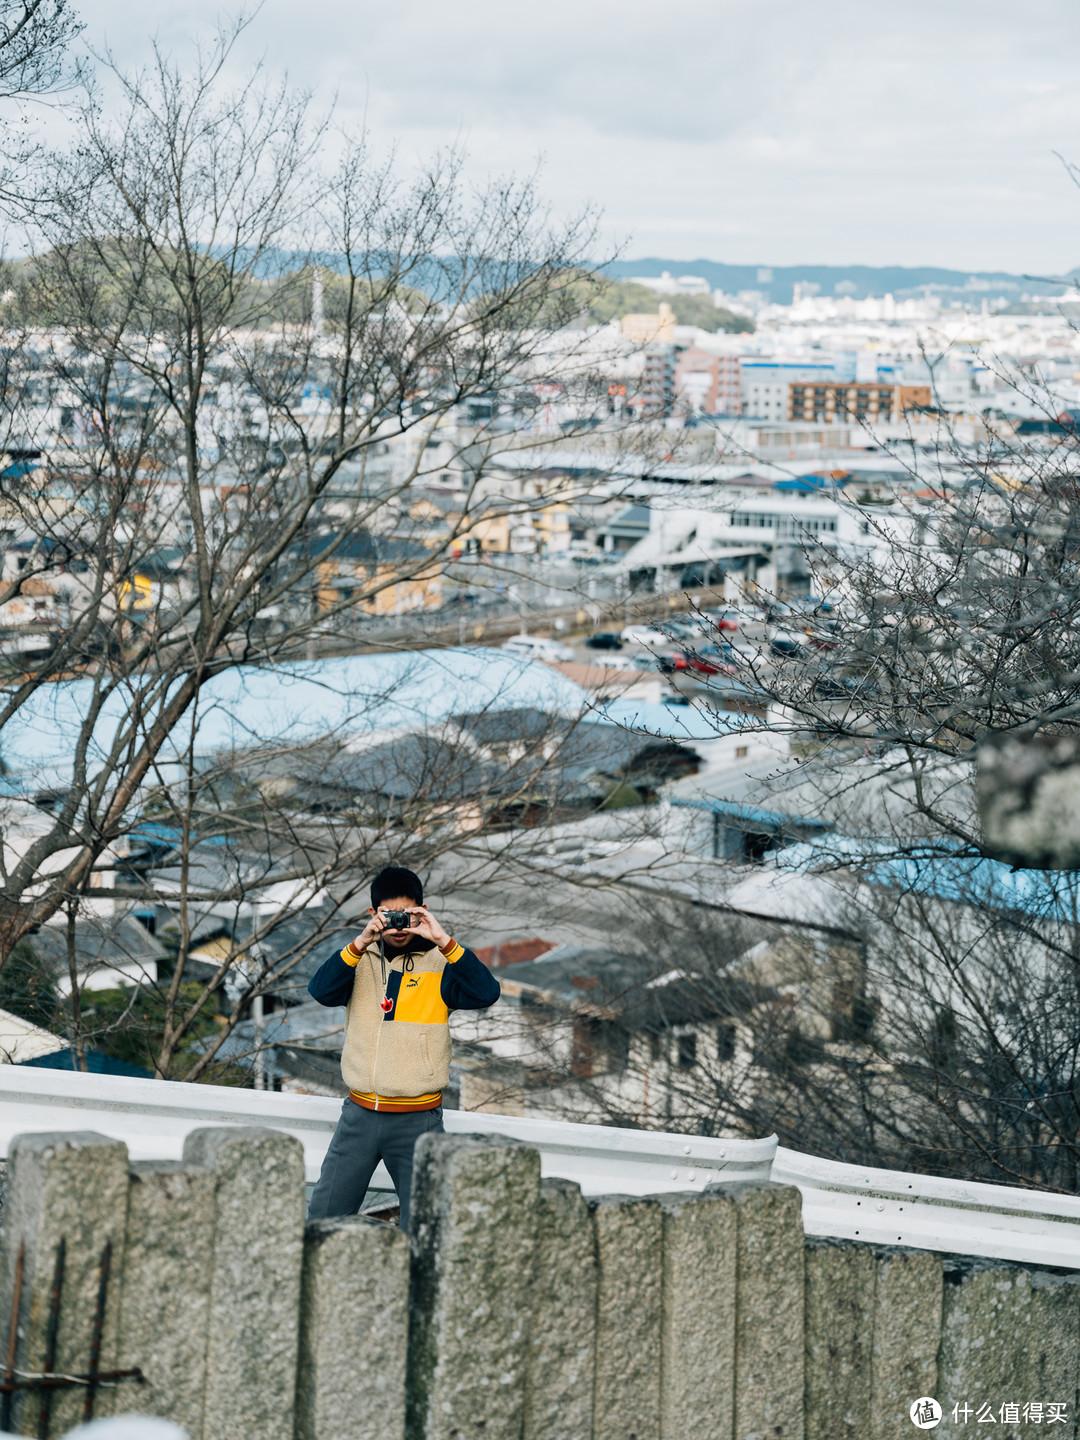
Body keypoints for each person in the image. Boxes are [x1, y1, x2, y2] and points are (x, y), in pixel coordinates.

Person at [306, 864, 500, 1232]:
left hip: (418, 1120)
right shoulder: (358, 961)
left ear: (422, 911)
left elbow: (486, 993)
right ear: (373, 913)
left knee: (425, 1227)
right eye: (388, 915)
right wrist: (360, 942)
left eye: (408, 915)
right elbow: (320, 991)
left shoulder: (441, 966)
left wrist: (444, 940)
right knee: (322, 1220)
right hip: (359, 1116)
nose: (398, 926)